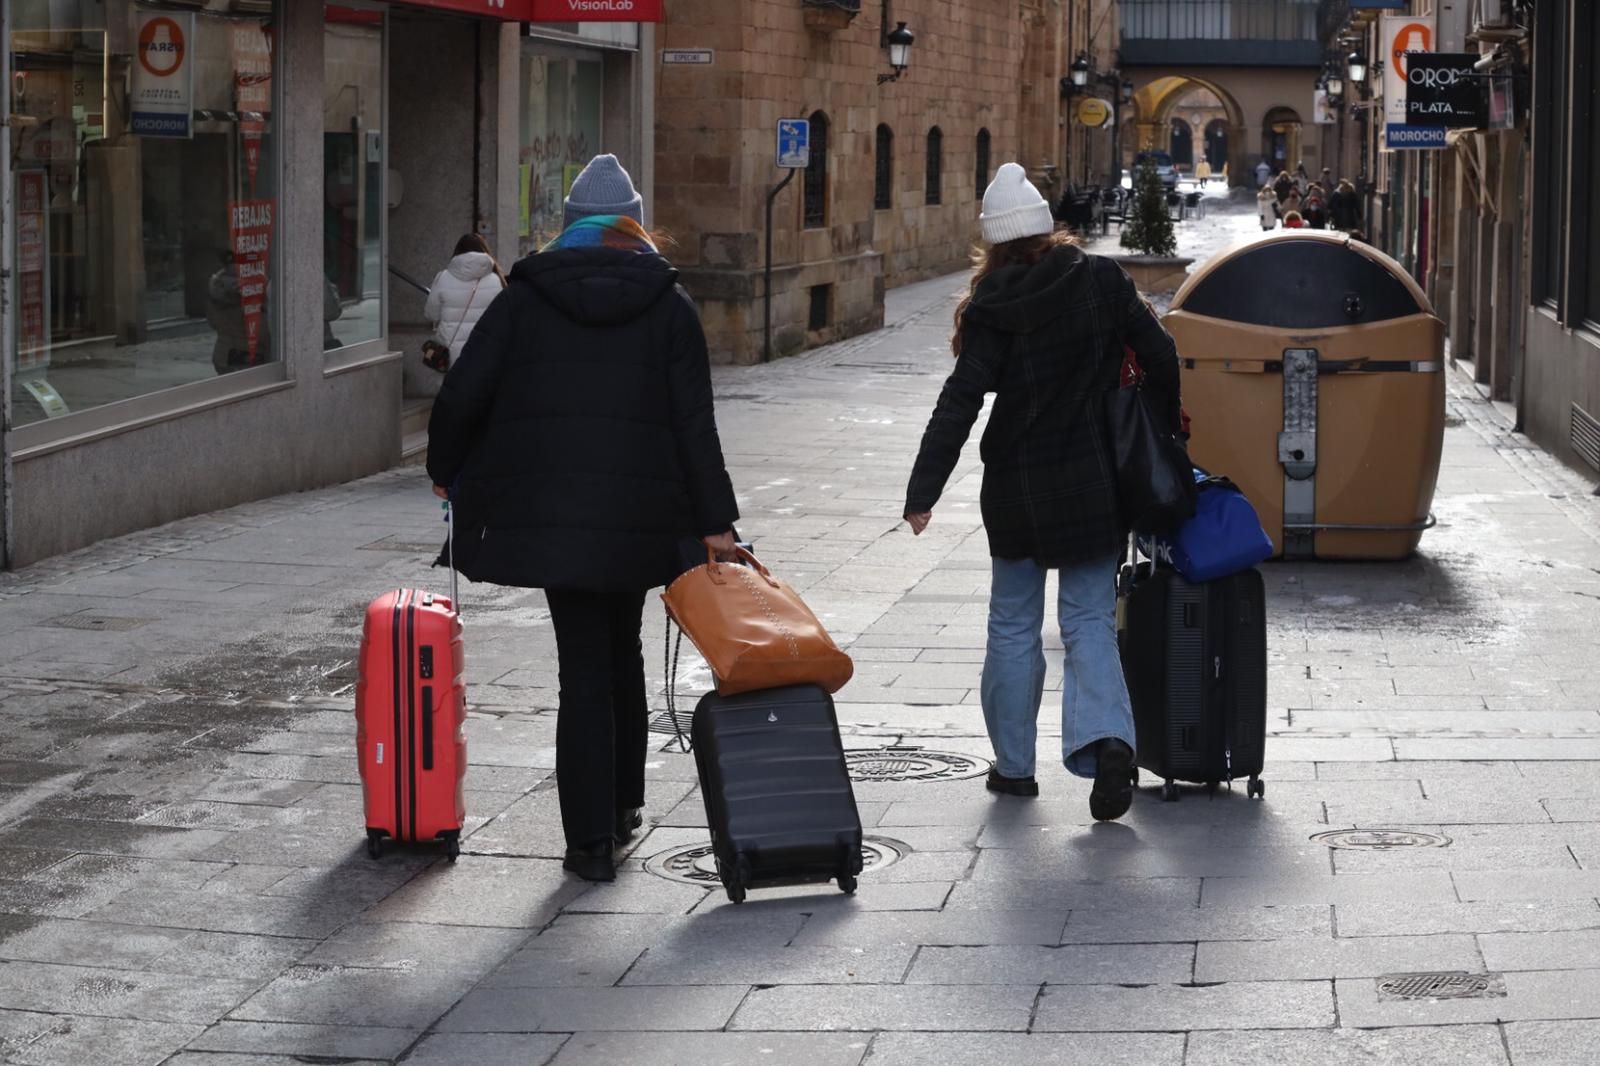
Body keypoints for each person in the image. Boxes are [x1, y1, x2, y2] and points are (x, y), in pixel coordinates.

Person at [426, 154, 739, 883]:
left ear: (568, 228)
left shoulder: (524, 301)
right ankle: (627, 800)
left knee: (582, 670)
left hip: (555, 519)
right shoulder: (670, 305)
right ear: (635, 224)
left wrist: (446, 473)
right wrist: (716, 523)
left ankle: (588, 842)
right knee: (622, 646)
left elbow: (460, 398)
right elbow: (697, 426)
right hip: (642, 515)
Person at [902, 162, 1182, 823]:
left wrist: (924, 489)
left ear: (994, 243)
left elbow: (960, 402)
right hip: (1094, 479)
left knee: (1013, 624)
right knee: (1088, 622)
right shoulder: (1103, 281)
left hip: (1017, 486)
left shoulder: (993, 306)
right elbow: (1162, 354)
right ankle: (1108, 743)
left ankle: (1015, 768)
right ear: (1048, 228)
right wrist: (1164, 433)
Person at [424, 233, 507, 367]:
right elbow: (503, 318)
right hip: (485, 350)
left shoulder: (443, 277)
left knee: (451, 386)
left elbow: (431, 314)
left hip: (450, 353)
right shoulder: (496, 280)